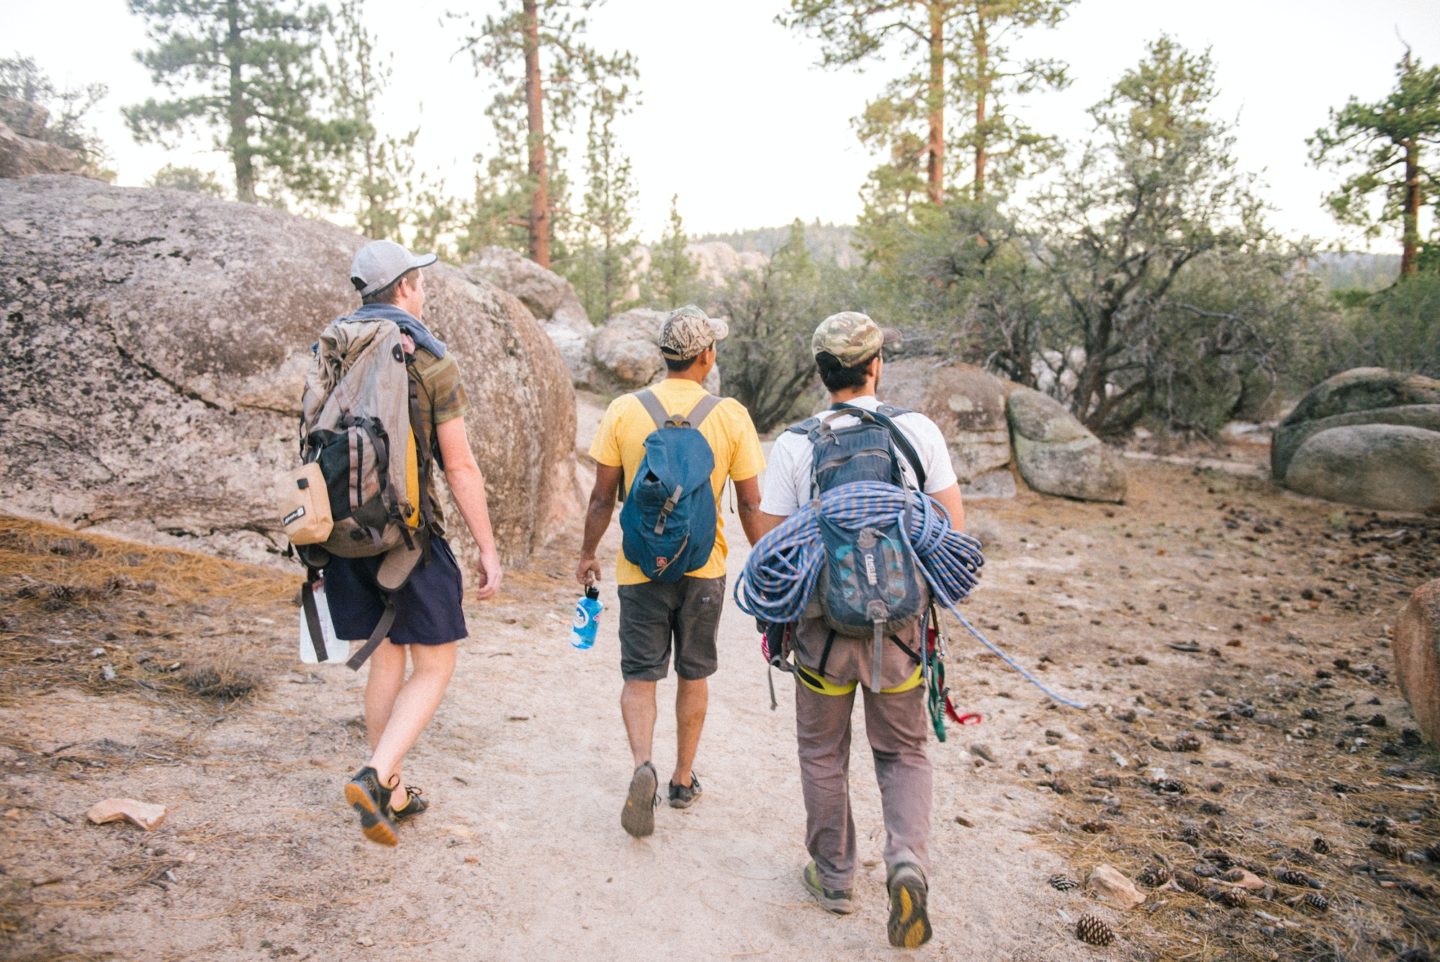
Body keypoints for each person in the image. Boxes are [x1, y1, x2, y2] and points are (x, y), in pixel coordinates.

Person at [754, 311, 965, 948]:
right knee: (902, 752)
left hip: (821, 634)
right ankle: (906, 863)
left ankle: (835, 876)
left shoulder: (796, 444)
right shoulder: (916, 432)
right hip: (900, 635)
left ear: (822, 374)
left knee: (822, 753)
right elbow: (950, 528)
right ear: (876, 366)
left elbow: (767, 543)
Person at [328, 240, 504, 847]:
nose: (423, 292)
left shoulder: (332, 348)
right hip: (408, 535)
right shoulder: (427, 359)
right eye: (419, 282)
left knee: (384, 657)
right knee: (435, 662)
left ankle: (393, 793)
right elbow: (459, 468)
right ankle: (377, 776)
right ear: (403, 288)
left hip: (344, 533)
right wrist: (487, 546)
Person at [578, 306, 765, 838]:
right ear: (706, 356)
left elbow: (601, 496)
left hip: (640, 568)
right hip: (704, 569)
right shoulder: (730, 415)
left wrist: (587, 554)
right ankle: (683, 778)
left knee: (640, 675)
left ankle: (643, 766)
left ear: (665, 356)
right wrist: (769, 561)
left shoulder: (623, 410)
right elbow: (750, 504)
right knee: (694, 672)